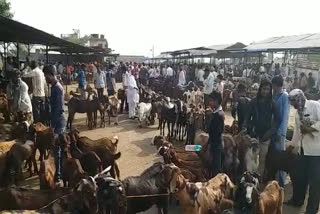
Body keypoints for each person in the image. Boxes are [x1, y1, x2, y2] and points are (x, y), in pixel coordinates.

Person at [287, 89, 320, 214]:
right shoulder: (297, 113)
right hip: (303, 150)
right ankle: (297, 201)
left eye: (295, 101)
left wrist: (311, 128)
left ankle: (311, 210)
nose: (295, 105)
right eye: (292, 103)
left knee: (315, 183)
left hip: (317, 152)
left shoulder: (315, 106)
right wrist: (291, 145)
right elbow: (297, 132)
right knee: (299, 178)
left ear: (301, 98)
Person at [243, 80, 280, 175]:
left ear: (270, 90)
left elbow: (278, 120)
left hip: (265, 137)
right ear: (260, 89)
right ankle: (249, 178)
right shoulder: (253, 102)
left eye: (268, 89)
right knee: (250, 158)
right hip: (253, 135)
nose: (265, 91)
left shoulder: (272, 103)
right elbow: (247, 116)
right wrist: (245, 128)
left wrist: (271, 132)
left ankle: (257, 180)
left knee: (262, 160)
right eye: (264, 89)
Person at [43, 65, 66, 187]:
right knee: (59, 149)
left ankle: (58, 177)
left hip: (58, 123)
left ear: (51, 74)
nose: (45, 78)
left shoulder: (57, 88)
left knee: (57, 150)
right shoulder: (55, 87)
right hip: (58, 121)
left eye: (46, 76)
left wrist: (53, 127)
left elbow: (58, 109)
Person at [271, 75, 290, 188]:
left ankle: (282, 182)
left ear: (278, 86)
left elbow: (285, 117)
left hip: (279, 132)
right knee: (273, 156)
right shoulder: (274, 95)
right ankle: (274, 180)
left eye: (274, 86)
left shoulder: (284, 97)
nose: (273, 88)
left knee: (281, 157)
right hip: (272, 130)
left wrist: (280, 133)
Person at [207, 91, 225, 178]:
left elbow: (216, 132)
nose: (209, 103)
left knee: (216, 167)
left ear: (216, 101)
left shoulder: (217, 115)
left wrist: (210, 142)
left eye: (211, 100)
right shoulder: (218, 112)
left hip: (216, 144)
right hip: (217, 142)